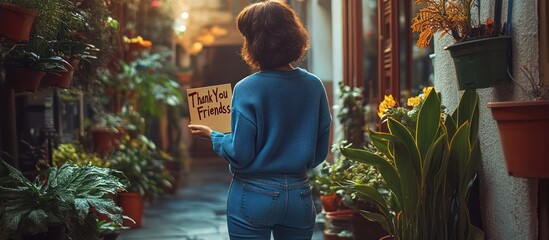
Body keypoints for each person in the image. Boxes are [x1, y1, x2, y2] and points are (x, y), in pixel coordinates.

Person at [188, 1, 332, 239]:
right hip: (299, 195)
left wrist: (213, 136)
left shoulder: (247, 88)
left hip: (253, 195)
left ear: (254, 43)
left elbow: (241, 153)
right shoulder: (313, 85)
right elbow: (319, 152)